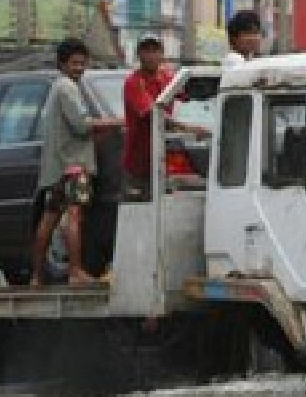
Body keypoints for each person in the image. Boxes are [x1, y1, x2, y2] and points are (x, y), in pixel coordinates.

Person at [32, 39, 124, 287]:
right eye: (74, 63)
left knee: (49, 218)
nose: (79, 68)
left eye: (83, 63)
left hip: (56, 167)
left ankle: (37, 275)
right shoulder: (68, 88)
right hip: (74, 166)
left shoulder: (57, 89)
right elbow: (82, 125)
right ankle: (75, 271)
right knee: (75, 215)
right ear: (62, 64)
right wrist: (118, 122)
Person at [122, 34, 211, 199]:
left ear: (162, 54)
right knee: (143, 206)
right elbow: (154, 114)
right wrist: (190, 129)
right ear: (139, 54)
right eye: (146, 51)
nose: (151, 56)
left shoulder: (166, 77)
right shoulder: (134, 82)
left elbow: (189, 94)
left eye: (155, 51)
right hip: (140, 162)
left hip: (162, 156)